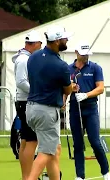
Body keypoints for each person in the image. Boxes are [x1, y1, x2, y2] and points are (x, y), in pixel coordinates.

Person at [25, 26, 78, 180]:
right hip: (46, 112)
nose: (67, 40)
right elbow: (67, 90)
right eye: (64, 38)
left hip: (31, 108)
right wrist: (71, 86)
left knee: (54, 151)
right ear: (56, 41)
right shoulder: (61, 65)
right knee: (47, 152)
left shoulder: (33, 57)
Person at [68, 41, 110, 180]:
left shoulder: (95, 68)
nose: (86, 57)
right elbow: (64, 88)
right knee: (78, 144)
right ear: (76, 52)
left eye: (87, 54)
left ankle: (106, 172)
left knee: (95, 141)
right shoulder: (69, 69)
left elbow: (100, 88)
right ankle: (80, 176)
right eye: (83, 54)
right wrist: (72, 88)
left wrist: (86, 94)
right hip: (75, 108)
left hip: (91, 108)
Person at [12, 30, 42, 180]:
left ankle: (26, 176)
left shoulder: (23, 57)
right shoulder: (24, 59)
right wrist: (38, 91)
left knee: (25, 140)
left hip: (23, 101)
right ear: (35, 44)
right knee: (31, 140)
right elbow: (21, 82)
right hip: (26, 101)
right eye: (40, 44)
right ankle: (28, 176)